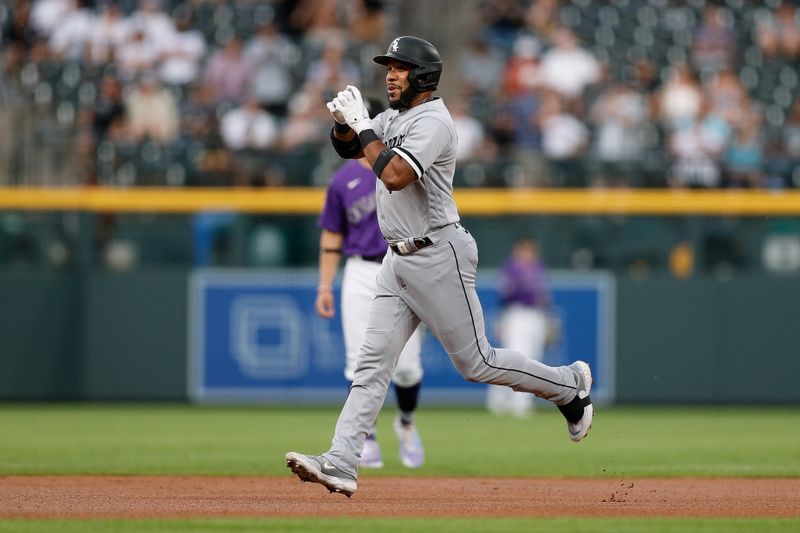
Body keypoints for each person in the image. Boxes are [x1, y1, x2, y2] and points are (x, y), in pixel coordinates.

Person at [286, 35, 593, 498]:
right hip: (396, 259)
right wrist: (345, 126)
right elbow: (353, 150)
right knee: (371, 367)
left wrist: (362, 125)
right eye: (388, 66)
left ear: (423, 77)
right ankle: (343, 461)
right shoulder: (395, 117)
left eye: (400, 67)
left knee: (478, 363)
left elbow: (393, 174)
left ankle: (568, 385)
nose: (390, 73)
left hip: (437, 253)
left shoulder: (435, 122)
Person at [315, 99, 426, 468]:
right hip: (361, 271)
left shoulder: (404, 167)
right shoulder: (343, 180)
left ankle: (406, 425)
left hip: (404, 266)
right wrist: (325, 286)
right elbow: (332, 237)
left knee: (407, 366)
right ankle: (368, 436)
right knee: (356, 362)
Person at [486, 236, 553, 418]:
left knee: (533, 359)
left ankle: (522, 402)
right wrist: (502, 320)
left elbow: (544, 296)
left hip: (536, 316)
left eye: (530, 250)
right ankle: (500, 400)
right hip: (516, 315)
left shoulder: (538, 267)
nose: (527, 254)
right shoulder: (511, 269)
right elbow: (503, 295)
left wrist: (549, 321)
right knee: (513, 359)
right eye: (524, 250)